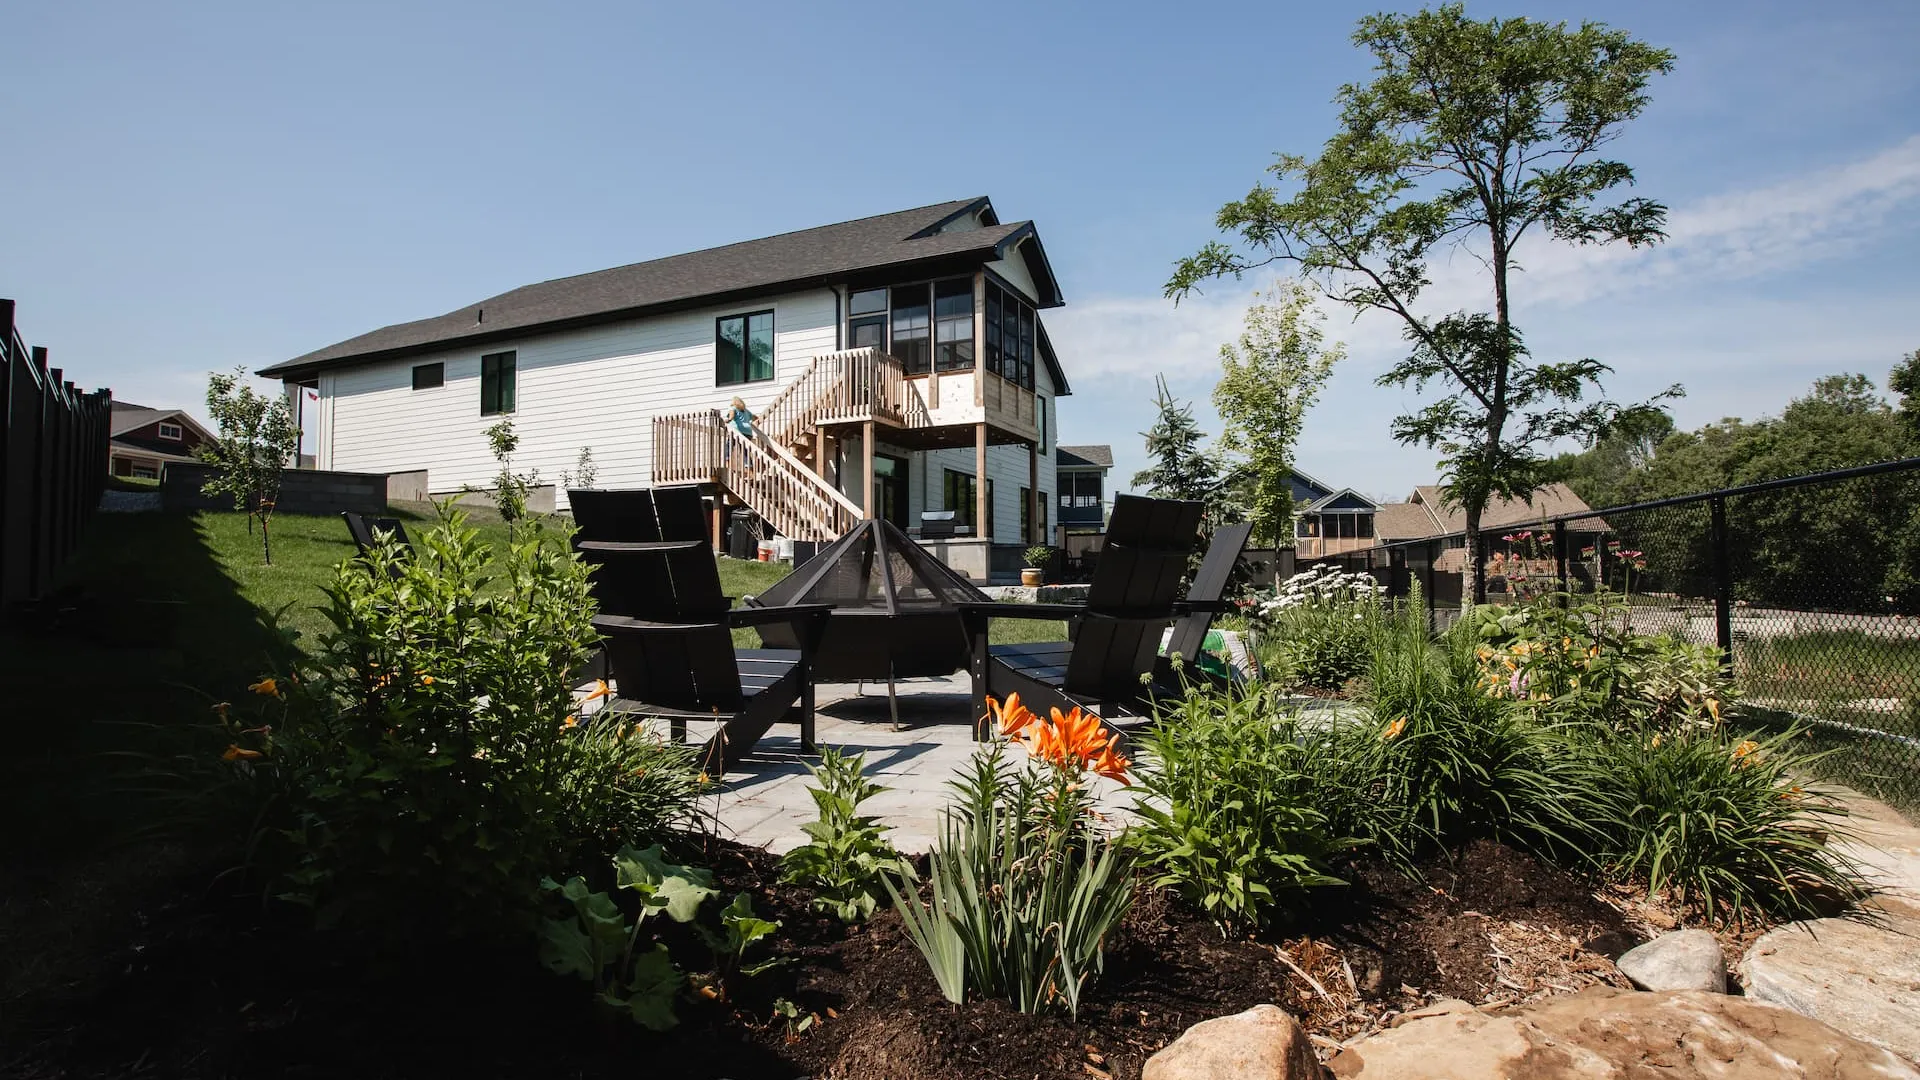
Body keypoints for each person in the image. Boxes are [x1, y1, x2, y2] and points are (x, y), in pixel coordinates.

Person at [723, 396, 758, 478]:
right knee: (745, 452)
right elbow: (756, 418)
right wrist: (751, 424)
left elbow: (731, 416)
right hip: (748, 432)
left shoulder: (733, 408)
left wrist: (727, 420)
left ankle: (727, 465)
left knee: (728, 447)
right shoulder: (746, 411)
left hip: (737, 432)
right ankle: (751, 473)